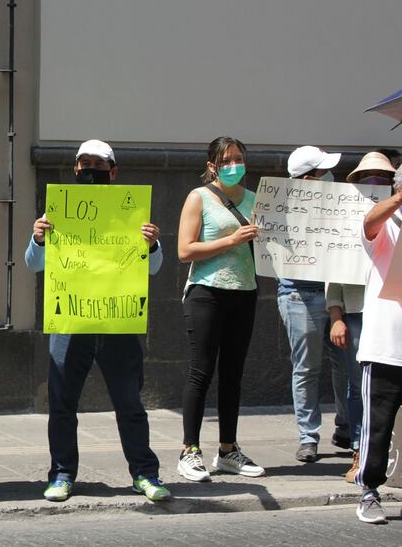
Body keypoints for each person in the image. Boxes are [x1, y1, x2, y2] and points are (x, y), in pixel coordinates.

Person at [24, 140, 170, 503]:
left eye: (98, 163)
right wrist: (38, 238)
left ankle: (145, 475)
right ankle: (61, 475)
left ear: (113, 171)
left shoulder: (132, 213)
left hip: (118, 324)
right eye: (84, 162)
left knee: (130, 404)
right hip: (71, 323)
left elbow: (153, 268)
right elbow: (33, 265)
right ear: (75, 169)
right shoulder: (59, 212)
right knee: (62, 405)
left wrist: (152, 244)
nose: (90, 168)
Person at [176, 136, 265, 481]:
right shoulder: (199, 198)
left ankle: (228, 450)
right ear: (212, 165)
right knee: (201, 371)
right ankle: (189, 450)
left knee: (233, 374)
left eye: (238, 159)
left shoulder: (257, 199)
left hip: (245, 291)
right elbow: (185, 250)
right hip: (206, 292)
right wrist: (231, 240)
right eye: (226, 160)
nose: (233, 166)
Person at [276, 146, 349, 463]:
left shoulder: (339, 203)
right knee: (306, 368)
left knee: (346, 367)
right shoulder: (278, 207)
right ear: (307, 179)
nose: (330, 176)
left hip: (340, 292)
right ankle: (308, 438)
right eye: (323, 172)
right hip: (298, 295)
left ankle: (347, 429)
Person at [327, 152, 396, 484]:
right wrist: (335, 313)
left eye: (382, 178)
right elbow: (333, 269)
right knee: (360, 390)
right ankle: (361, 457)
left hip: (389, 322)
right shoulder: (358, 217)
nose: (376, 184)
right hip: (362, 317)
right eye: (369, 179)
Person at [353, 163, 402, 524]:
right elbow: (369, 225)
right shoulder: (388, 223)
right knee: (379, 425)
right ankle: (369, 490)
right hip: (386, 343)